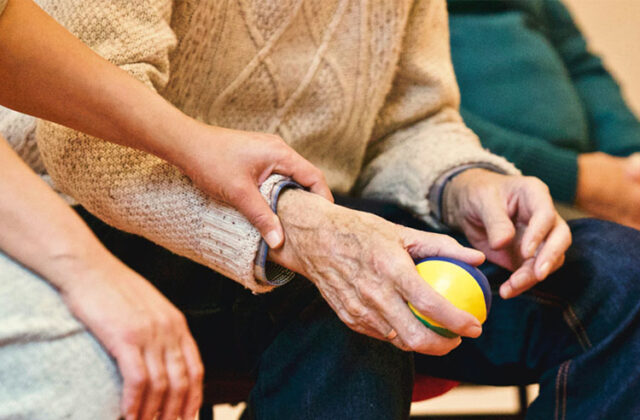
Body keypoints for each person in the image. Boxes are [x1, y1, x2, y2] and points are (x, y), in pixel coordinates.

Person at [3, 0, 640, 419]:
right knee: (349, 300)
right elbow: (81, 141)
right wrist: (297, 227)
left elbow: (413, 120)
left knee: (620, 276)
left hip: (335, 216)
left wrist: (464, 182)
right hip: (117, 214)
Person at [0, 0, 331, 418]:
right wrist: (87, 272)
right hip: (66, 203)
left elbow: (6, 25)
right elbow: (76, 147)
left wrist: (195, 143)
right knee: (84, 376)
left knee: (346, 303)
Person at [447, 0, 640, 228]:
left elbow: (581, 65)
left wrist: (630, 156)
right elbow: (422, 119)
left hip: (598, 178)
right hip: (492, 192)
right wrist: (575, 179)